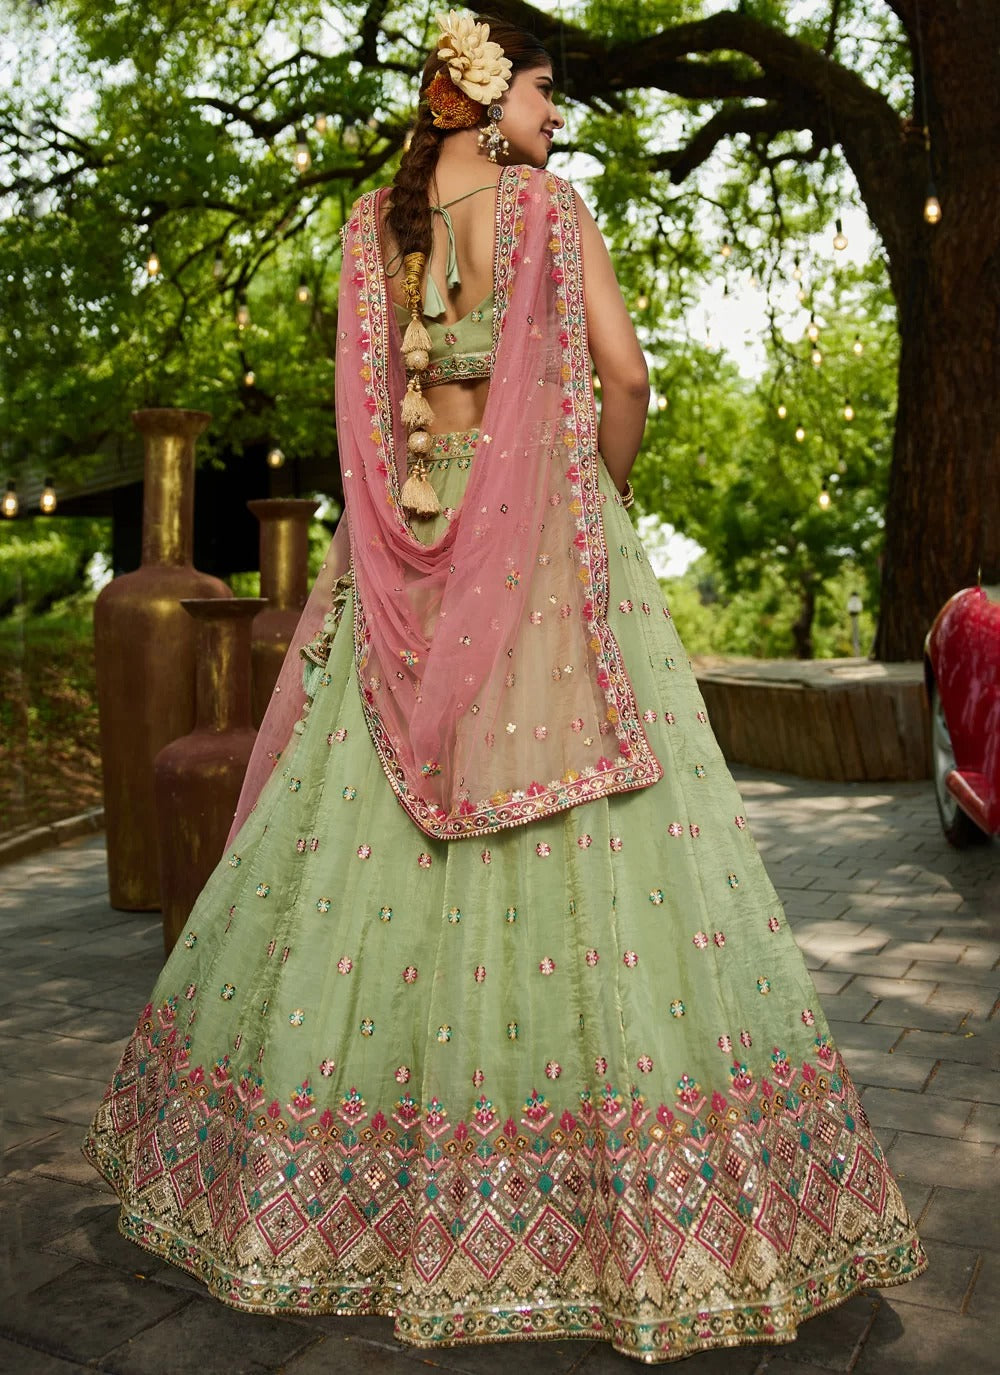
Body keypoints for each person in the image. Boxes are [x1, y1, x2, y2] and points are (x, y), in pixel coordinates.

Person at [84, 10, 925, 1363]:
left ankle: (321, 1206)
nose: (558, 115)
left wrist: (422, 529)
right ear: (482, 91)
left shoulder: (375, 229)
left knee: (359, 843)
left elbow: (366, 419)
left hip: (406, 541)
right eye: (547, 88)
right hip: (538, 538)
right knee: (590, 848)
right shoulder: (546, 210)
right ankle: (606, 1219)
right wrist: (593, 493)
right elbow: (627, 376)